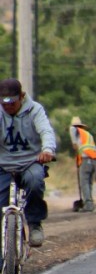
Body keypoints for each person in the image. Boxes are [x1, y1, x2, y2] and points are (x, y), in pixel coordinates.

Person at [0, 78, 56, 247]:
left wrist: (47, 150)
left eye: (12, 103)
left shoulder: (35, 110)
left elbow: (46, 130)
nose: (8, 107)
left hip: (29, 162)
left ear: (22, 97)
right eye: (4, 104)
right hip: (3, 165)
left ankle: (34, 223)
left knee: (35, 181)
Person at [69, 116, 96, 212]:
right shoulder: (87, 134)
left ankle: (88, 205)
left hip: (86, 159)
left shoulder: (74, 130)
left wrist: (74, 145)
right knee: (89, 183)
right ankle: (89, 203)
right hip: (95, 160)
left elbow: (75, 144)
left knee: (84, 183)